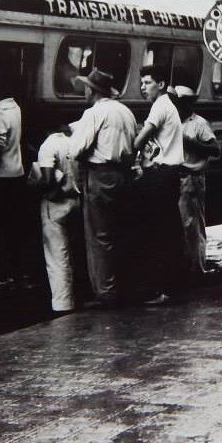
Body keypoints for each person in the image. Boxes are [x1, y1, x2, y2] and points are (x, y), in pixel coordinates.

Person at [68, 68, 137, 307]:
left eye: (86, 87)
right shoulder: (125, 111)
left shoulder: (93, 113)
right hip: (124, 175)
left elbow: (75, 149)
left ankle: (106, 292)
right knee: (121, 233)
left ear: (92, 90)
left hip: (100, 175)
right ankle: (125, 285)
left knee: (99, 236)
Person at [133, 64, 187, 301]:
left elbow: (139, 141)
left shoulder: (160, 106)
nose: (143, 88)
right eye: (142, 83)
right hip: (169, 174)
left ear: (161, 85)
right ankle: (172, 286)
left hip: (161, 175)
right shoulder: (169, 106)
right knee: (169, 230)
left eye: (147, 83)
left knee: (158, 231)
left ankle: (162, 289)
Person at [172, 85, 221, 277]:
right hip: (177, 178)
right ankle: (184, 267)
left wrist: (188, 141)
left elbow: (214, 149)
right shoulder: (174, 122)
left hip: (192, 178)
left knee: (193, 227)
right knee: (181, 226)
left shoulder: (199, 124)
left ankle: (197, 269)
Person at [35, 125, 82, 315]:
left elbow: (47, 179)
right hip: (76, 200)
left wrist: (35, 185)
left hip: (55, 205)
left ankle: (63, 304)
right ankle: (81, 296)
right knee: (75, 251)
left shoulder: (48, 145)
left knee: (57, 256)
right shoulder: (74, 143)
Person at [0, 90, 24, 276]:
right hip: (17, 170)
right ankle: (14, 263)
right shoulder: (15, 107)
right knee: (13, 222)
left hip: (1, 173)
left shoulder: (1, 111)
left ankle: (3, 264)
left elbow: (0, 143)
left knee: (1, 222)